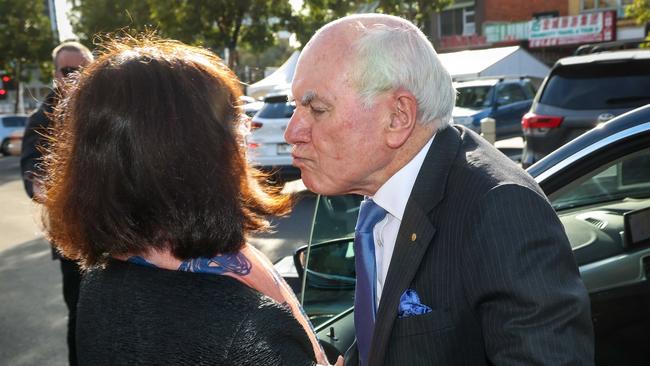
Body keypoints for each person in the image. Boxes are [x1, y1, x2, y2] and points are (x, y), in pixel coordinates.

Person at [284, 14, 594, 366]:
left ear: (398, 116)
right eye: (296, 108)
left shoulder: (500, 208)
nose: (292, 131)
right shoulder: (382, 200)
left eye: (317, 109)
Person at [41, 36, 336, 366]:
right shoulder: (249, 328)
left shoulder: (97, 284)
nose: (247, 128)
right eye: (230, 116)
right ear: (195, 155)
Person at [20, 40, 93, 366]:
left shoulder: (105, 108)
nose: (76, 77)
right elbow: (34, 177)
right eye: (69, 71)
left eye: (84, 69)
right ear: (56, 74)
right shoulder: (42, 118)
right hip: (75, 239)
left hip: (123, 232)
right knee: (82, 317)